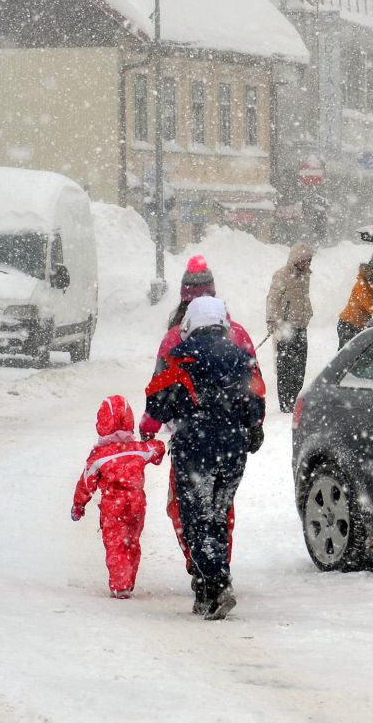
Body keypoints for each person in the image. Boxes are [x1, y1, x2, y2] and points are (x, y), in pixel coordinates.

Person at [140, 255, 267, 595]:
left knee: (190, 511)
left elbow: (158, 394)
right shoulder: (239, 340)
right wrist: (254, 425)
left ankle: (206, 573)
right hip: (232, 444)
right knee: (220, 512)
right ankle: (218, 568)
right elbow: (255, 388)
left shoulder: (175, 344)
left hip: (192, 443)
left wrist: (150, 426)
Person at [70, 395, 166, 599]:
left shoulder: (99, 456)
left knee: (116, 544)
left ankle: (121, 584)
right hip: (137, 504)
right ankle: (128, 579)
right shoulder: (138, 449)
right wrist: (150, 441)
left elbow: (86, 483)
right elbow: (158, 449)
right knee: (132, 542)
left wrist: (79, 504)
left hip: (113, 506)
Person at [265, 243, 314, 413]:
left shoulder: (306, 275)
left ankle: (296, 400)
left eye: (309, 260)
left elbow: (304, 297)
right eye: (304, 260)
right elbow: (272, 298)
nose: (307, 264)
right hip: (286, 328)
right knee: (286, 368)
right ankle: (286, 404)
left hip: (301, 327)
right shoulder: (282, 275)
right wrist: (271, 320)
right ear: (295, 260)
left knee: (300, 367)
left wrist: (308, 312)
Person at [337, 251, 373, 349]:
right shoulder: (362, 286)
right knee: (348, 355)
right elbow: (371, 307)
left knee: (357, 353)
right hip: (348, 325)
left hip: (358, 326)